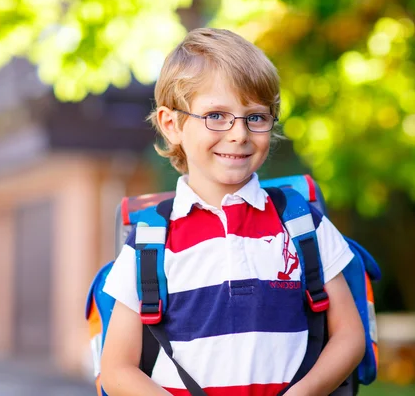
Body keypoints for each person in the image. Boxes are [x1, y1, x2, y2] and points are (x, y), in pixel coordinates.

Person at [100, 27, 365, 396]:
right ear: (171, 124)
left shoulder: (302, 224)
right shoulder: (149, 243)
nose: (239, 133)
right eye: (217, 115)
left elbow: (350, 336)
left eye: (255, 117)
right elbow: (116, 370)